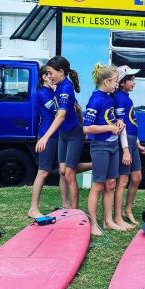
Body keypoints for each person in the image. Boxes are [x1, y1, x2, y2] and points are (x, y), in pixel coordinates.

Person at [83, 64, 130, 235]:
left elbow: (113, 118)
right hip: (100, 146)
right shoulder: (95, 99)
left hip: (113, 145)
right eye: (116, 81)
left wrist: (118, 122)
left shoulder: (110, 97)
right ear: (106, 81)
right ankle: (93, 223)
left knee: (111, 184)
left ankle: (109, 221)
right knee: (98, 185)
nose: (117, 84)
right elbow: (87, 129)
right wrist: (109, 128)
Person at [37, 55, 88, 209]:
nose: (49, 76)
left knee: (70, 174)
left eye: (50, 73)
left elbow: (61, 115)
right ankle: (66, 206)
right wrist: (82, 123)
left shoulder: (66, 87)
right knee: (63, 171)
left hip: (73, 135)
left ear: (60, 72)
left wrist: (45, 137)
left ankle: (74, 211)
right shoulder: (58, 86)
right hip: (63, 134)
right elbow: (78, 108)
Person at [113, 65, 145, 228]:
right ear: (121, 82)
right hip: (124, 143)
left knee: (137, 177)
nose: (134, 82)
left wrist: (138, 144)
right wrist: (126, 150)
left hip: (133, 141)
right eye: (131, 79)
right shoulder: (120, 98)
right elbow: (121, 126)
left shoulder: (127, 97)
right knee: (123, 180)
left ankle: (127, 210)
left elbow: (131, 122)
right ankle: (118, 215)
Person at [28, 64, 60, 218]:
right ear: (43, 77)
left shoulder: (51, 92)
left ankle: (66, 205)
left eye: (51, 74)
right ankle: (33, 208)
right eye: (47, 74)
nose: (51, 77)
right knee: (43, 171)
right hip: (47, 135)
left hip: (56, 134)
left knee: (64, 168)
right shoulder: (42, 93)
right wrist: (56, 92)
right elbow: (57, 110)